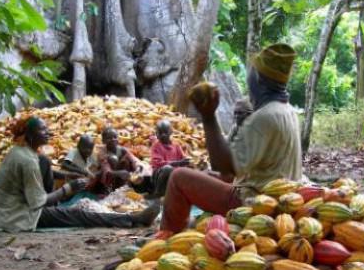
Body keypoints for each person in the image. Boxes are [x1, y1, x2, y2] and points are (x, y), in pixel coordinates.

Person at [157, 43, 302, 236]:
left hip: (255, 204)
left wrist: (208, 117)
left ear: (258, 78)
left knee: (178, 177)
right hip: (279, 199)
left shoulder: (263, 118)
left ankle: (165, 241)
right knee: (206, 176)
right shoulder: (288, 111)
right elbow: (232, 171)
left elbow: (223, 165)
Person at [0, 116, 160, 233]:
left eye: (47, 129)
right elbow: (37, 202)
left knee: (45, 162)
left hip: (2, 208)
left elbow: (44, 170)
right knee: (77, 214)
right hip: (15, 216)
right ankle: (133, 219)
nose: (48, 133)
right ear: (30, 135)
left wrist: (64, 176)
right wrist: (69, 188)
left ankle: (54, 208)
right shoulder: (27, 161)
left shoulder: (20, 150)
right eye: (42, 130)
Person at [148, 120, 190, 198]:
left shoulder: (176, 146)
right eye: (160, 133)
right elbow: (158, 163)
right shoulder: (156, 146)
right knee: (168, 168)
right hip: (159, 175)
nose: (163, 135)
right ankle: (158, 192)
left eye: (165, 132)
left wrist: (187, 161)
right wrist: (177, 163)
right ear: (156, 134)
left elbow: (183, 158)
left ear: (171, 132)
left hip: (175, 175)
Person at [98, 127, 143, 192]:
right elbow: (106, 170)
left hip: (122, 178)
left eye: (115, 137)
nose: (113, 139)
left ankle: (125, 186)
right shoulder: (102, 152)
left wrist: (138, 168)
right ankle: (108, 188)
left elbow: (134, 160)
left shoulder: (123, 150)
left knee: (126, 161)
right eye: (109, 138)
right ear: (103, 140)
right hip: (108, 179)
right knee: (113, 159)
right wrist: (118, 173)